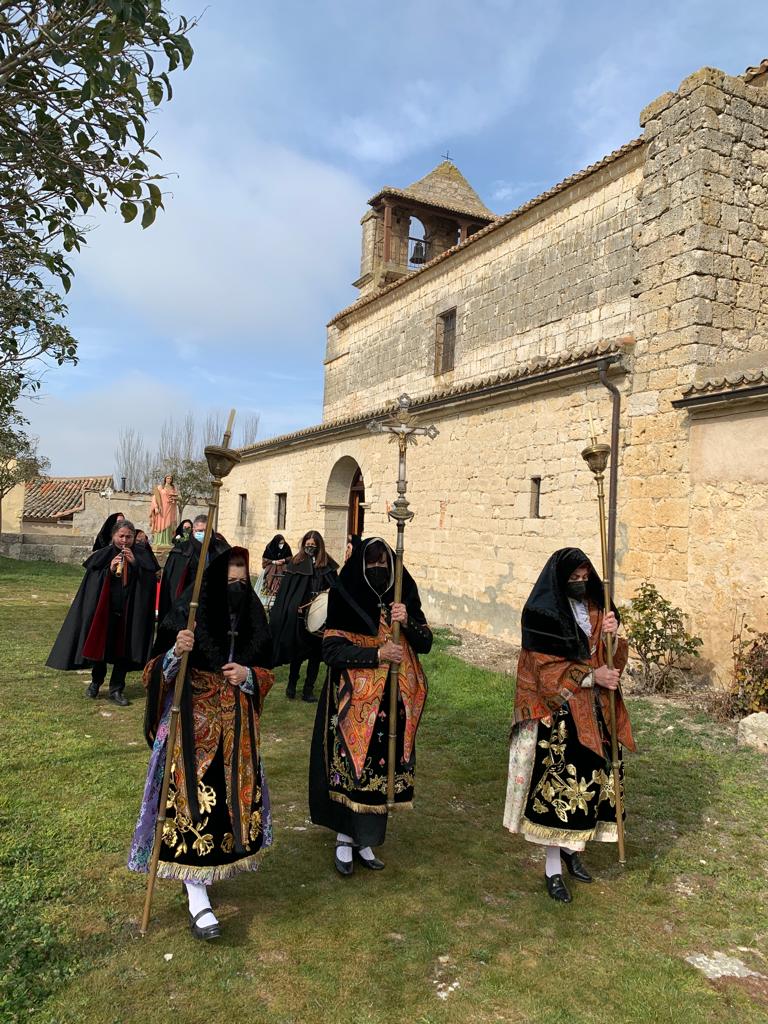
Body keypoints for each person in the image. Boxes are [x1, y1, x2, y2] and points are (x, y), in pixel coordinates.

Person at [128, 547, 274, 940]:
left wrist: (248, 674)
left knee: (226, 806)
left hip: (239, 728)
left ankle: (213, 870)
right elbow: (150, 672)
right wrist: (177, 653)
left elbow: (267, 668)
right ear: (212, 582)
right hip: (191, 725)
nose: (237, 587)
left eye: (243, 581)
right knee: (191, 804)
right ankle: (198, 897)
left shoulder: (254, 617)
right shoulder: (186, 611)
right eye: (229, 581)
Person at [503, 547, 636, 903]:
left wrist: (611, 635)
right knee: (558, 790)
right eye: (573, 579)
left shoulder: (595, 609)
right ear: (559, 581)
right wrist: (593, 675)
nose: (580, 583)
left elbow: (612, 659)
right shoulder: (541, 614)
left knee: (589, 786)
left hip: (593, 713)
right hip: (557, 714)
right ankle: (552, 869)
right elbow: (546, 672)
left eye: (584, 578)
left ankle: (572, 851)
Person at [308, 537, 433, 875]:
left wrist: (406, 620)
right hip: (351, 707)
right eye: (372, 564)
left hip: (393, 705)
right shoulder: (345, 594)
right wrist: (377, 655)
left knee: (381, 772)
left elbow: (426, 643)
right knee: (353, 772)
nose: (378, 569)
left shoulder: (403, 594)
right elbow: (331, 651)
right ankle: (344, 838)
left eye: (383, 564)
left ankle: (366, 840)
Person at [46, 519, 157, 706]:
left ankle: (116, 689)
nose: (125, 540)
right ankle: (95, 684)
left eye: (128, 536)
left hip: (129, 613)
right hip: (106, 611)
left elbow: (148, 584)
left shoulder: (142, 555)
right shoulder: (104, 556)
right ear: (113, 536)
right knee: (101, 649)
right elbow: (93, 584)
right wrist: (109, 571)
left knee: (123, 651)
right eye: (121, 536)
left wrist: (135, 564)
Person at [270, 530, 338, 702]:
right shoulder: (296, 563)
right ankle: (291, 685)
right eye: (308, 544)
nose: (310, 547)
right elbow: (289, 591)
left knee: (315, 655)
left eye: (314, 545)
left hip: (320, 617)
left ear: (319, 546)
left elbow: (335, 588)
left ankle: (308, 689)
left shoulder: (327, 564)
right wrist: (295, 607)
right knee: (298, 653)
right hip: (300, 617)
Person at [157, 514, 229, 624]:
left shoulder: (222, 549)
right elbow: (172, 584)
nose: (203, 534)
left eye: (207, 530)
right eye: (200, 531)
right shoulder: (181, 551)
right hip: (187, 602)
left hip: (214, 601)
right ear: (194, 531)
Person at [149, 473, 178, 547]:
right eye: (167, 478)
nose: (169, 479)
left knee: (168, 523)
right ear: (165, 479)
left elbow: (179, 497)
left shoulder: (174, 488)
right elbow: (154, 497)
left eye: (170, 478)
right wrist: (156, 507)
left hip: (170, 508)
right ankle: (159, 541)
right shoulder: (160, 487)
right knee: (160, 524)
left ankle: (167, 542)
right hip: (162, 509)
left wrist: (175, 498)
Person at [261, 534, 292, 598]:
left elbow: (290, 557)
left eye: (282, 543)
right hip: (271, 569)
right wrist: (274, 562)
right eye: (280, 543)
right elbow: (265, 559)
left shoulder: (286, 547)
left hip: (283, 568)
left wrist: (284, 560)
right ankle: (270, 590)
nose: (282, 545)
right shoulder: (269, 547)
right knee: (272, 574)